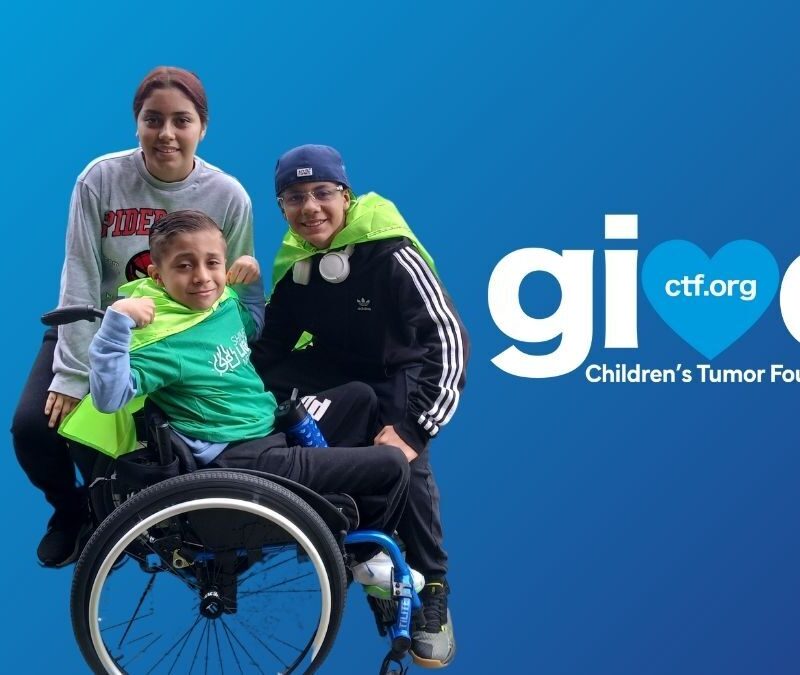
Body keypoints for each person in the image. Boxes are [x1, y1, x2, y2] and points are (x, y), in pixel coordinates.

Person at [86, 210, 413, 585]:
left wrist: (248, 285)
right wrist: (116, 323)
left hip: (267, 425)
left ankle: (338, 510)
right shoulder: (162, 338)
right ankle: (363, 559)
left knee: (360, 397)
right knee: (392, 464)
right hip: (244, 457)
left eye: (213, 263)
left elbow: (252, 327)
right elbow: (109, 398)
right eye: (184, 266)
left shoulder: (218, 303)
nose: (202, 277)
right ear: (158, 276)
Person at [11, 66, 254, 568]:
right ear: (137, 123)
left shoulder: (228, 196)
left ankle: (124, 523)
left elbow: (235, 291)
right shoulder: (100, 178)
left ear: (202, 127)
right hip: (95, 326)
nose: (166, 133)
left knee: (131, 441)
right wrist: (72, 373)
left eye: (181, 120)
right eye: (153, 119)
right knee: (35, 428)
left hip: (177, 337)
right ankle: (71, 511)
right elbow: (79, 271)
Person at [250, 144, 469, 668]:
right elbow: (274, 345)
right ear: (282, 206)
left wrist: (414, 430)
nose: (310, 208)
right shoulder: (298, 263)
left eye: (322, 193)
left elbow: (450, 340)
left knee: (402, 460)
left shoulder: (391, 253)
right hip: (336, 367)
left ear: (345, 196)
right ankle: (366, 561)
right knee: (271, 394)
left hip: (400, 368)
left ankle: (432, 588)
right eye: (294, 197)